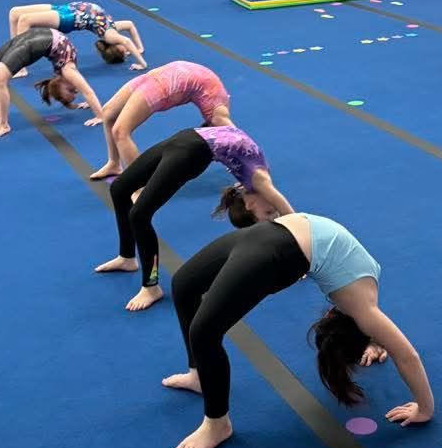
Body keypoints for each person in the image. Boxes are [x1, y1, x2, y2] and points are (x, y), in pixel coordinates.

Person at [162, 212, 435, 448]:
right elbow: (406, 354)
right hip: (270, 234)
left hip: (277, 251)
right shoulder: (364, 309)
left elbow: (393, 339)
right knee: (183, 285)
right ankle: (200, 374)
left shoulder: (364, 306)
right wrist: (424, 406)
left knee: (205, 332)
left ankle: (217, 423)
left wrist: (423, 410)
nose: (324, 314)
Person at [95, 126, 294, 312]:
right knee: (119, 188)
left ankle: (151, 285)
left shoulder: (253, 183)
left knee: (139, 215)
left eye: (268, 214)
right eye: (270, 214)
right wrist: (295, 247)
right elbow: (291, 216)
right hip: (187, 139)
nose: (273, 211)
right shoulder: (258, 183)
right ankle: (127, 257)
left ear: (250, 206)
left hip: (191, 153)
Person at [86, 61, 232, 180]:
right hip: (163, 77)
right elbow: (240, 142)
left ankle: (138, 185)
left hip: (168, 77)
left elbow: (237, 143)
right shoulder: (217, 111)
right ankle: (114, 164)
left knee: (120, 130)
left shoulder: (216, 109)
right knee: (109, 114)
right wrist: (246, 170)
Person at [0, 26, 105, 139]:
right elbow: (88, 91)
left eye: (71, 91)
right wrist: (99, 115)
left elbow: (86, 91)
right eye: (74, 90)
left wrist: (89, 110)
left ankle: (3, 125)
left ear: (59, 85)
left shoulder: (65, 72)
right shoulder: (68, 71)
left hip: (34, 40)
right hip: (35, 38)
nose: (76, 88)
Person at [5, 0, 146, 69]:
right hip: (65, 8)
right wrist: (140, 48)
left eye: (124, 52)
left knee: (24, 21)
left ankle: (19, 65)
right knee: (14, 13)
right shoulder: (113, 26)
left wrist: (142, 64)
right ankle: (14, 54)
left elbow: (127, 41)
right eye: (128, 52)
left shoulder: (109, 36)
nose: (127, 50)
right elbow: (131, 25)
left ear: (115, 47)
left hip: (68, 19)